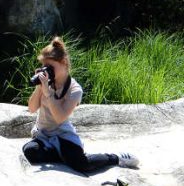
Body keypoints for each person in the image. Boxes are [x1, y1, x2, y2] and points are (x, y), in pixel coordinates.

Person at [22, 36, 139, 173]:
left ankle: (115, 158)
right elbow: (31, 108)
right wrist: (39, 87)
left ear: (64, 62)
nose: (46, 70)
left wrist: (48, 94)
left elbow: (60, 117)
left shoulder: (75, 89)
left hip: (62, 136)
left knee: (82, 165)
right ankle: (63, 155)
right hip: (43, 135)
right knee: (30, 152)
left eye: (50, 67)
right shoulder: (47, 84)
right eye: (44, 66)